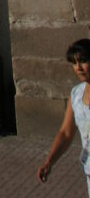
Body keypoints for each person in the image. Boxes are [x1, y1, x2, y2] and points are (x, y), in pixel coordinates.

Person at [37, 39, 90, 192]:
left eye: (83, 61)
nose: (78, 68)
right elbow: (66, 133)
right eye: (74, 63)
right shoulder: (77, 94)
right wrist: (49, 162)